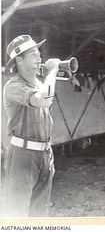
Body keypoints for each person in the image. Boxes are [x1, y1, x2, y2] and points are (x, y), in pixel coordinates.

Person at [3, 35, 60, 217]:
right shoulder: (13, 86)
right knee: (17, 214)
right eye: (33, 54)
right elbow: (44, 100)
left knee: (39, 214)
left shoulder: (39, 84)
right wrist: (54, 71)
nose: (40, 58)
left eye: (39, 54)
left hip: (44, 154)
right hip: (23, 156)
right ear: (19, 60)